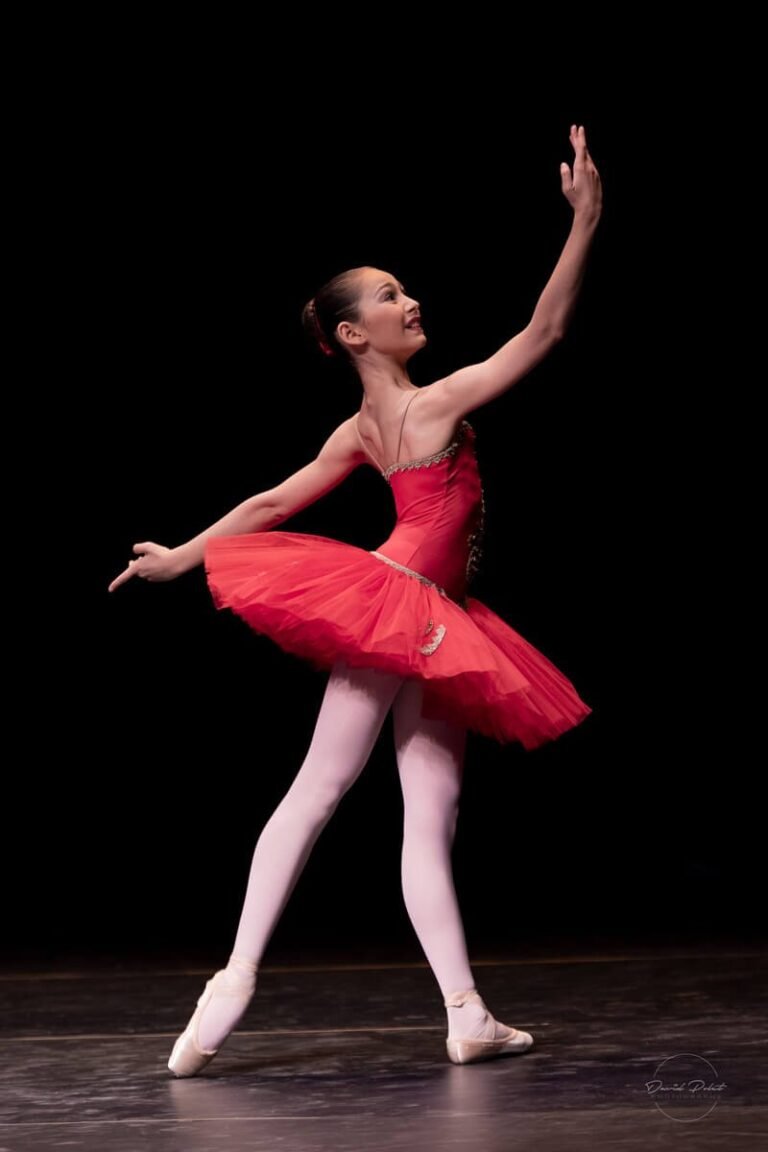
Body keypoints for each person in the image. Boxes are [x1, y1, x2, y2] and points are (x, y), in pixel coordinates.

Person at [109, 124, 602, 1075]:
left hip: (435, 620)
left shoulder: (367, 425)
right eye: (388, 296)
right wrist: (586, 221)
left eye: (403, 289)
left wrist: (182, 557)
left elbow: (268, 502)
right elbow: (545, 331)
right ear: (351, 334)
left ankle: (466, 1012)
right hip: (404, 604)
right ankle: (230, 985)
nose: (410, 300)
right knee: (319, 791)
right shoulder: (431, 405)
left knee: (429, 813)